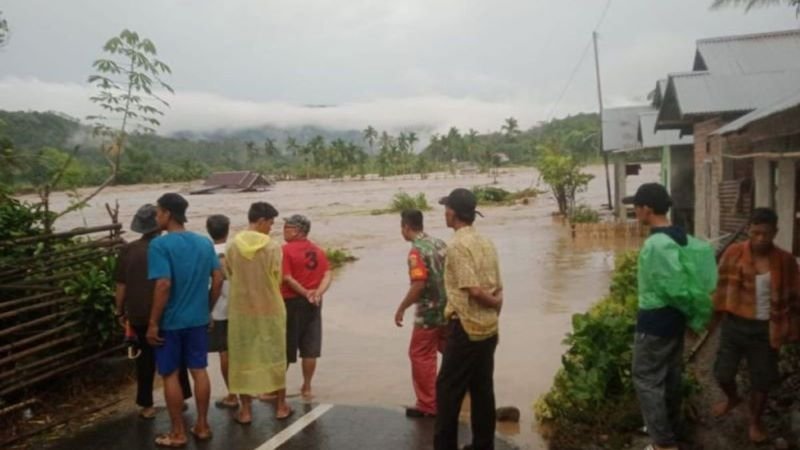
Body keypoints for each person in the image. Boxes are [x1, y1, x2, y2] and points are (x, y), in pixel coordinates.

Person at [625, 183, 717, 450]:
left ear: (647, 209)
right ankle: (671, 430)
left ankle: (663, 444)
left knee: (646, 379)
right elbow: (696, 280)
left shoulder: (656, 244)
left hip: (656, 321)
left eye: (636, 207)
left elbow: (673, 288)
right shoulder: (682, 237)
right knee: (670, 376)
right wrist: (694, 317)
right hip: (674, 321)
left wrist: (695, 316)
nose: (635, 212)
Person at [712, 207, 800, 443]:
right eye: (756, 233)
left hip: (766, 329)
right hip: (734, 325)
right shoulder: (733, 253)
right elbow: (720, 288)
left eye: (767, 234)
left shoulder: (786, 261)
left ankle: (755, 421)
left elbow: (795, 296)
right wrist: (712, 319)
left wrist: (791, 328)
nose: (761, 239)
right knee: (722, 373)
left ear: (776, 233)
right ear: (749, 230)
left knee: (762, 379)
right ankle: (733, 398)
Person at [146, 193, 223, 448]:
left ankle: (178, 432)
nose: (157, 217)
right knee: (199, 371)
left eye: (158, 212)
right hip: (197, 320)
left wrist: (153, 322)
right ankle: (202, 425)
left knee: (170, 375)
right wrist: (207, 309)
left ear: (168, 214)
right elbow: (218, 279)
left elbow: (163, 284)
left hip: (170, 321)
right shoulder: (204, 243)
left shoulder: (160, 245)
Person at [434, 188, 503, 450]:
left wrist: (492, 302)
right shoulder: (486, 242)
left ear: (452, 213)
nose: (444, 214)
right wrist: (496, 308)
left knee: (447, 391)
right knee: (482, 389)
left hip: (465, 327)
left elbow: (473, 290)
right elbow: (498, 287)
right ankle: (483, 445)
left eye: (446, 209)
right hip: (489, 328)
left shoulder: (457, 246)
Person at [114, 204, 192, 420]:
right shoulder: (168, 248)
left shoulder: (128, 250)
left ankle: (146, 405)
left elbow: (121, 286)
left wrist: (119, 311)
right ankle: (182, 398)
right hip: (168, 312)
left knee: (144, 360)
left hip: (138, 313)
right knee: (177, 358)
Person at [226, 202, 293, 423]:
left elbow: (230, 273)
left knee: (241, 358)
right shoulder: (273, 247)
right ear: (261, 220)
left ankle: (245, 410)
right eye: (271, 223)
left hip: (241, 310)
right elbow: (278, 277)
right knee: (275, 354)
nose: (271, 228)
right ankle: (281, 406)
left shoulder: (233, 245)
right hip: (270, 308)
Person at [394, 209, 448, 418]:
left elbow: (418, 285)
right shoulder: (440, 244)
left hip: (428, 314)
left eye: (402, 228)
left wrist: (402, 308)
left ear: (406, 227)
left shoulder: (416, 252)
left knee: (420, 355)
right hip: (448, 308)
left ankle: (428, 404)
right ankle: (464, 389)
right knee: (449, 349)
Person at [281, 214, 332, 399]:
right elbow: (327, 274)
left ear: (296, 231)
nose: (283, 231)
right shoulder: (317, 250)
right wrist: (317, 292)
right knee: (310, 346)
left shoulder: (285, 251)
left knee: (285, 346)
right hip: (314, 302)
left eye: (286, 227)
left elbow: (286, 278)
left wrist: (305, 292)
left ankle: (275, 389)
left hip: (291, 301)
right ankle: (307, 387)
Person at [205, 214, 238, 410]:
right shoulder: (236, 250)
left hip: (217, 309)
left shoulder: (206, 252)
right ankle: (246, 392)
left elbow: (212, 282)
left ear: (209, 230)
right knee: (239, 351)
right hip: (239, 306)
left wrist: (207, 307)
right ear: (228, 228)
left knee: (224, 352)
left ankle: (232, 394)